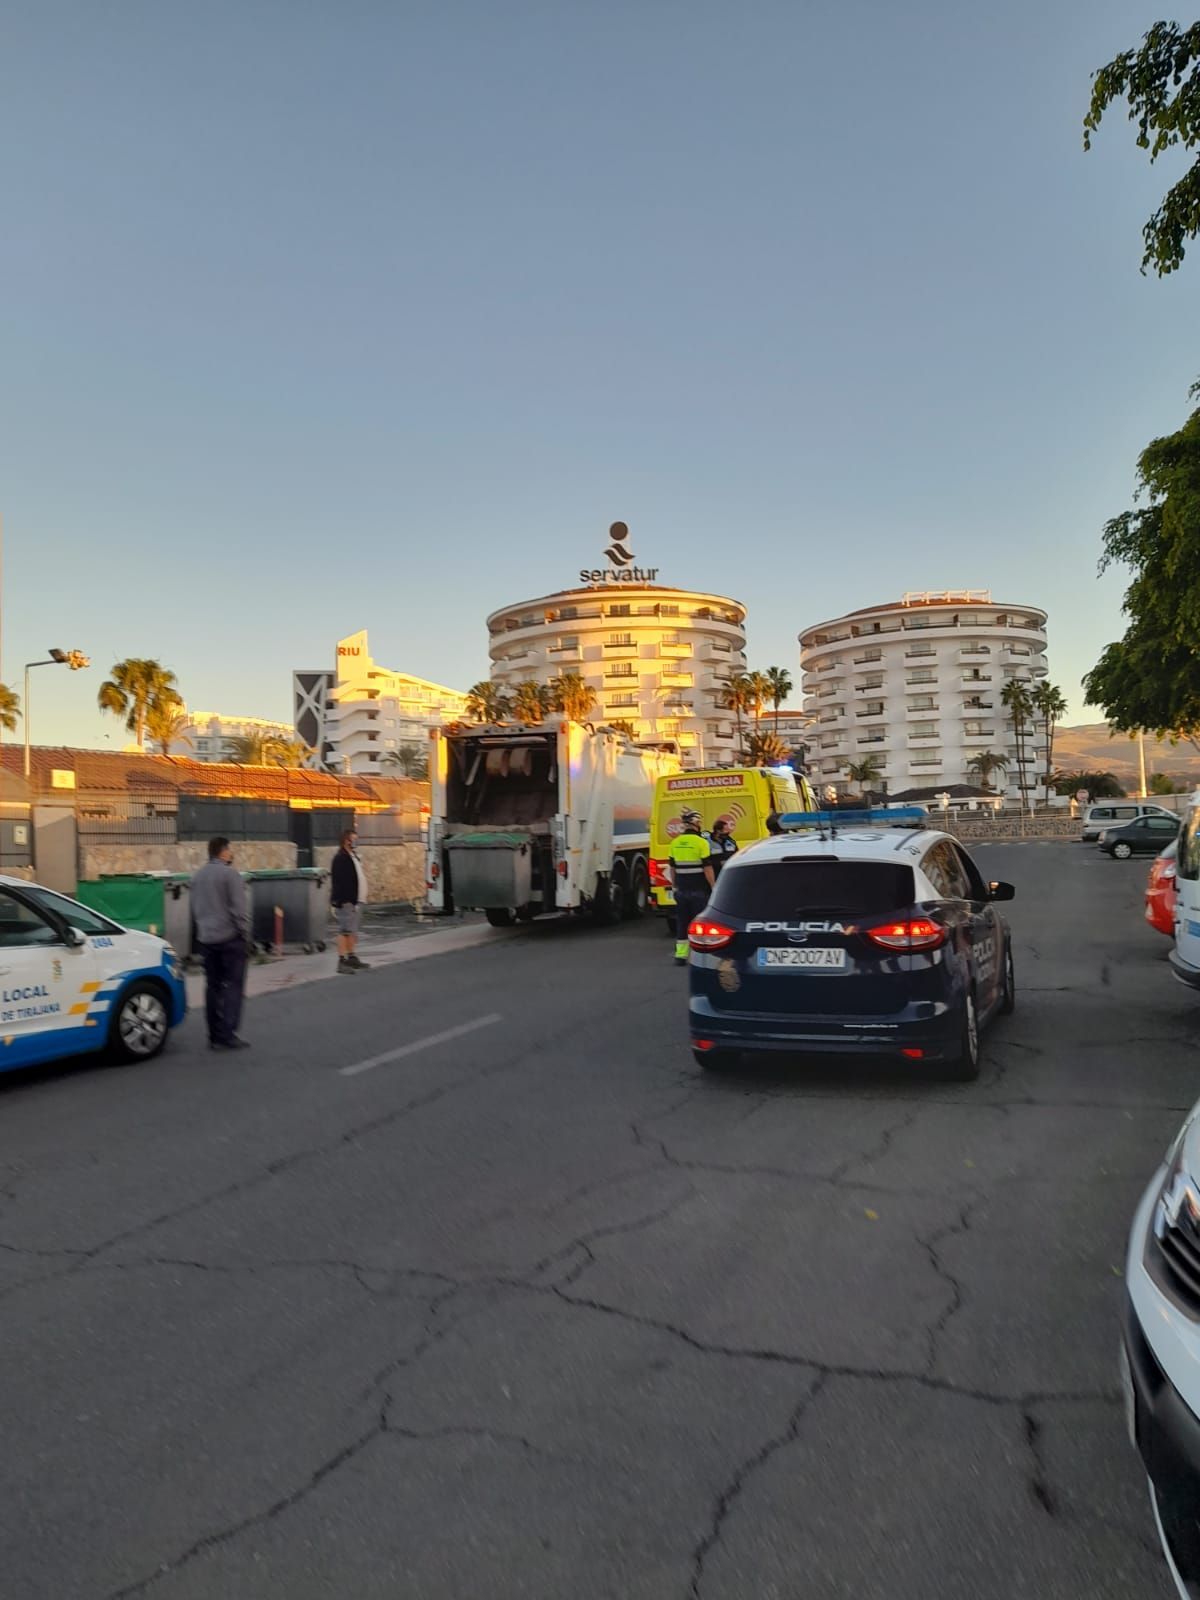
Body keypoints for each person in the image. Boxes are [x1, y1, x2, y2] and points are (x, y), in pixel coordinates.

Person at [191, 836, 250, 1051]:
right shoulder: (230, 874)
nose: (231, 853)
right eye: (229, 850)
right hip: (229, 938)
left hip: (207, 939)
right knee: (233, 986)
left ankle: (213, 1034)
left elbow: (195, 909)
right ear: (223, 851)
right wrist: (244, 933)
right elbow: (239, 909)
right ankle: (228, 1033)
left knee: (213, 987)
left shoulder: (197, 877)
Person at [666, 810, 716, 966]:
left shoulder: (675, 843)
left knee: (682, 922)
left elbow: (672, 868)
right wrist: (714, 887)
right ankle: (702, 955)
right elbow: (707, 868)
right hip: (699, 890)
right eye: (699, 822)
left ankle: (680, 955)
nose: (700, 825)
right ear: (695, 824)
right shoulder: (702, 843)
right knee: (701, 923)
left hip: (681, 890)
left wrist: (675, 886)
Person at [331, 827, 371, 975]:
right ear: (346, 841)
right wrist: (343, 901)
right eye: (354, 839)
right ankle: (341, 960)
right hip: (347, 901)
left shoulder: (353, 856)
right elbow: (339, 881)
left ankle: (351, 956)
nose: (356, 841)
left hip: (357, 900)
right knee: (345, 930)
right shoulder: (340, 858)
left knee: (352, 931)